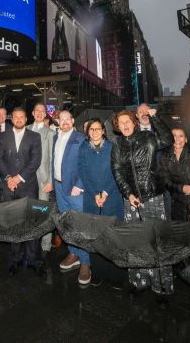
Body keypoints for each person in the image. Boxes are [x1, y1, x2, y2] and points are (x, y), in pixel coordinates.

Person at [111, 108, 173, 301]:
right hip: (131, 201)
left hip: (153, 197)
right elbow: (117, 172)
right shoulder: (117, 145)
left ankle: (161, 286)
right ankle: (140, 282)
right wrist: (128, 194)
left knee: (157, 242)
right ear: (117, 127)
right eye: (121, 123)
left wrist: (155, 117)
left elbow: (168, 139)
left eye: (127, 121)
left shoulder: (148, 137)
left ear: (134, 122)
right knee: (136, 241)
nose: (125, 125)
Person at [0, 107, 44, 276]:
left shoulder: (34, 136)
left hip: (28, 186)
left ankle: (32, 259)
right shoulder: (3, 136)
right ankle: (15, 258)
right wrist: (9, 177)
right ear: (12, 119)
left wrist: (19, 178)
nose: (18, 119)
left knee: (31, 222)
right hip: (9, 187)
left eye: (21, 117)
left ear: (26, 119)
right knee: (13, 223)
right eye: (15, 117)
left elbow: (36, 161)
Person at [78, 117, 126, 288]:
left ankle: (116, 276)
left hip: (111, 197)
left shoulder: (112, 147)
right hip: (91, 199)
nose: (95, 132)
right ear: (87, 132)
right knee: (95, 237)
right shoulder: (83, 148)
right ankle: (97, 273)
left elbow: (116, 173)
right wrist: (94, 195)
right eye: (91, 129)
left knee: (112, 237)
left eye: (98, 129)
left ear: (104, 131)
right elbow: (82, 173)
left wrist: (104, 193)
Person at [42, 111, 89, 284]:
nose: (64, 122)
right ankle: (73, 253)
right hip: (59, 187)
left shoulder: (81, 138)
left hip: (75, 188)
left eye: (67, 119)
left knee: (79, 224)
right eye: (61, 120)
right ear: (58, 122)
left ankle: (85, 262)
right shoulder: (56, 137)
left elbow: (86, 163)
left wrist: (80, 185)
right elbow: (55, 161)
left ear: (72, 120)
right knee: (66, 224)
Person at [159, 127, 190, 223]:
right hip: (177, 205)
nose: (177, 139)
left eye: (181, 136)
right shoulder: (165, 157)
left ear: (186, 140)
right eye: (174, 136)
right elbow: (166, 182)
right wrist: (181, 188)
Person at [29, 103, 54, 254]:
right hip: (27, 178)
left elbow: (52, 159)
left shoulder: (50, 133)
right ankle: (30, 241)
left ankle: (46, 245)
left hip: (43, 179)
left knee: (44, 212)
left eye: (42, 111)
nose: (39, 113)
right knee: (30, 211)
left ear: (45, 114)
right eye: (37, 110)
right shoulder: (25, 130)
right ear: (32, 113)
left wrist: (50, 180)